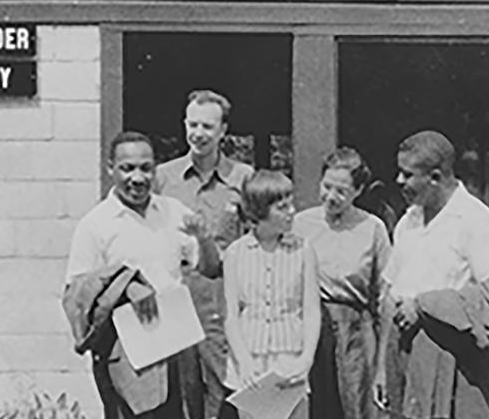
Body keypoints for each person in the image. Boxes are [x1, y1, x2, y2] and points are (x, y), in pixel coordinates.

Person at [62, 131, 220, 419]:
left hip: (176, 347)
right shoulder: (95, 224)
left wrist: (205, 238)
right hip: (127, 355)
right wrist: (126, 286)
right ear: (110, 169)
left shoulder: (172, 211)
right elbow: (76, 295)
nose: (137, 178)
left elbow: (209, 269)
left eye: (146, 168)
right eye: (127, 168)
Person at [385, 130, 489, 419]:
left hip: (457, 357)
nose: (399, 181)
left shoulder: (475, 220)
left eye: (407, 174)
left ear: (435, 177)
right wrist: (383, 367)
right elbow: (390, 293)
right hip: (409, 355)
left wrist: (425, 305)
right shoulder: (408, 222)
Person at [154, 89, 254, 419]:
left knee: (224, 388)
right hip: (176, 296)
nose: (198, 133)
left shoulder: (242, 178)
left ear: (223, 130)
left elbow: (253, 242)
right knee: (180, 391)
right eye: (192, 124)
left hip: (222, 301)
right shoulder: (163, 177)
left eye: (207, 126)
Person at [292, 147, 398, 419]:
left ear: (358, 191)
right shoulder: (300, 224)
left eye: (341, 191)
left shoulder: (373, 228)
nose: (331, 196)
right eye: (327, 186)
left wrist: (382, 361)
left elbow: (386, 294)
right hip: (311, 329)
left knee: (357, 406)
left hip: (356, 331)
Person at [219, 170, 321, 419]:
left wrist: (306, 358)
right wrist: (243, 361)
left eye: (291, 204)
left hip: (290, 360)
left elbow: (311, 310)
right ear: (259, 212)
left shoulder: (303, 249)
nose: (292, 212)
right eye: (282, 207)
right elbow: (231, 315)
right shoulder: (235, 253)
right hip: (250, 362)